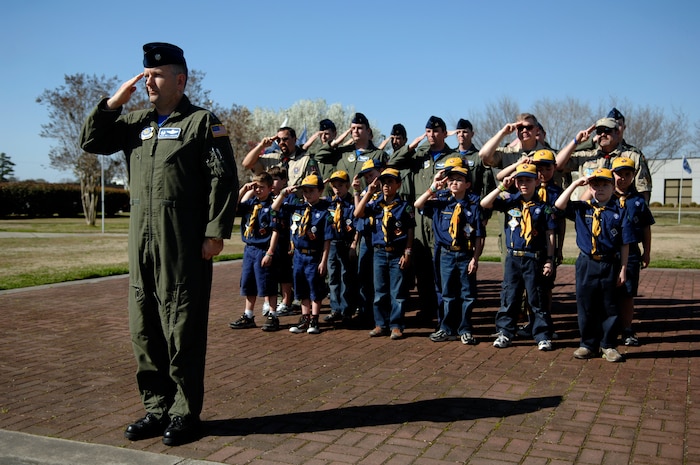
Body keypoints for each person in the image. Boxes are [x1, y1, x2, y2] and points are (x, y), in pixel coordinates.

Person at [79, 42, 238, 446]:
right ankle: (156, 407)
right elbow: (91, 141)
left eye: (158, 74)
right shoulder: (134, 123)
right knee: (144, 328)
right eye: (145, 73)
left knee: (181, 327)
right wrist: (114, 101)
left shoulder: (202, 123)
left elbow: (223, 180)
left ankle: (185, 412)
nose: (148, 79)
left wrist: (215, 232)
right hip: (141, 242)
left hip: (182, 242)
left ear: (180, 79)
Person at [554, 168, 634, 362]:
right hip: (586, 263)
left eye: (605, 184)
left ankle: (608, 345)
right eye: (595, 185)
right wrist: (575, 184)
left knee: (609, 305)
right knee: (586, 304)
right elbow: (558, 205)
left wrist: (623, 268)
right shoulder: (583, 208)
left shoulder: (620, 212)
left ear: (613, 187)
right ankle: (587, 344)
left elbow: (625, 243)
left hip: (610, 263)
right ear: (590, 187)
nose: (600, 189)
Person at [388, 116, 459, 323]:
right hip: (419, 220)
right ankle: (428, 309)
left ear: (444, 133)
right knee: (422, 268)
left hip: (442, 217)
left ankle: (444, 312)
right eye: (428, 131)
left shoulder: (453, 156)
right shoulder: (418, 155)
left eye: (436, 131)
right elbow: (393, 162)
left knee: (442, 268)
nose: (432, 135)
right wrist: (412, 145)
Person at [480, 163, 556, 351]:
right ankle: (505, 332)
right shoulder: (509, 201)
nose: (524, 184)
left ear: (537, 181)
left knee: (536, 299)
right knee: (510, 296)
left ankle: (542, 335)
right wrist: (502, 187)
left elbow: (550, 234)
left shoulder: (543, 207)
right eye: (520, 180)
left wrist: (549, 259)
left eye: (528, 180)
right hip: (513, 258)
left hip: (534, 258)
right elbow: (484, 203)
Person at [414, 165, 485, 345]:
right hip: (445, 254)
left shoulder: (473, 205)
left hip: (465, 254)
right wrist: (433, 187)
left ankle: (465, 329)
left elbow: (479, 236)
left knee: (467, 294)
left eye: (459, 179)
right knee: (447, 293)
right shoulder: (440, 201)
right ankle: (446, 328)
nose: (454, 182)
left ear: (468, 184)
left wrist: (475, 258)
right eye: (451, 179)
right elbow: (418, 204)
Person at [354, 168, 415, 340]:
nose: (386, 186)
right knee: (379, 291)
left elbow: (410, 232)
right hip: (379, 253)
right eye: (384, 182)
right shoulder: (375, 205)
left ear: (398, 184)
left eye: (390, 182)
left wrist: (407, 252)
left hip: (397, 253)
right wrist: (369, 193)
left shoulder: (404, 206)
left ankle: (396, 325)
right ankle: (380, 324)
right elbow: (357, 213)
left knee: (397, 292)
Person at [272, 174, 332, 334]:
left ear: (320, 191)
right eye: (305, 191)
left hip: (314, 256)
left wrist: (323, 261)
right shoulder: (296, 207)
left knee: (315, 288)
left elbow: (327, 239)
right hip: (298, 256)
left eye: (312, 191)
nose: (308, 194)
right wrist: (284, 193)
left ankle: (314, 319)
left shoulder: (325, 211)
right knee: (302, 288)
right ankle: (305, 319)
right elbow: (274, 208)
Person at [611, 157, 655, 346]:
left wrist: (646, 252)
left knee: (627, 293)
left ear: (633, 176)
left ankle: (627, 329)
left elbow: (646, 228)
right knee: (607, 292)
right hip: (608, 252)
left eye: (627, 174)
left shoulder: (638, 201)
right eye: (618, 174)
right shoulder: (604, 196)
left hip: (631, 253)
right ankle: (608, 329)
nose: (622, 178)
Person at [554, 117, 652, 202]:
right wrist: (576, 141)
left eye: (607, 130)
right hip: (589, 214)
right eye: (599, 131)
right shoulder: (587, 156)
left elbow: (643, 190)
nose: (603, 134)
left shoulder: (632, 157)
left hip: (621, 214)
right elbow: (557, 164)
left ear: (617, 132)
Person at [229, 173, 280, 331]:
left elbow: (275, 231)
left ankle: (273, 315)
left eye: (261, 187)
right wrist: (244, 189)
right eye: (255, 186)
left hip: (263, 249)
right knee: (248, 282)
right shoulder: (250, 203)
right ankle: (248, 315)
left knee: (267, 282)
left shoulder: (272, 206)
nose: (258, 190)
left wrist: (270, 252)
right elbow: (233, 206)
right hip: (249, 248)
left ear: (270, 188)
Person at [351, 159, 384, 326]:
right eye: (366, 176)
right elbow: (358, 213)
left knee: (379, 280)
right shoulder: (366, 191)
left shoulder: (386, 192)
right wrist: (357, 192)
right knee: (363, 276)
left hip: (379, 239)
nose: (370, 178)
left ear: (381, 171)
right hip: (365, 238)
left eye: (372, 174)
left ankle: (380, 316)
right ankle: (365, 312)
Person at [324, 170, 358, 324]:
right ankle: (335, 309)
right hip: (332, 244)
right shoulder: (329, 202)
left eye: (341, 185)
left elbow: (357, 225)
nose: (337, 189)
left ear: (348, 185)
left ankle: (346, 310)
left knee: (346, 278)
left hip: (346, 243)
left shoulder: (352, 203)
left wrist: (354, 244)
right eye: (334, 186)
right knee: (333, 277)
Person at [242, 126, 318, 187]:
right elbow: (246, 164)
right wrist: (261, 146)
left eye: (285, 139)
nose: (281, 143)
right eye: (278, 140)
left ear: (294, 139)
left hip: (295, 204)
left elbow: (312, 187)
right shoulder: (272, 158)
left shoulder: (305, 161)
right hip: (273, 204)